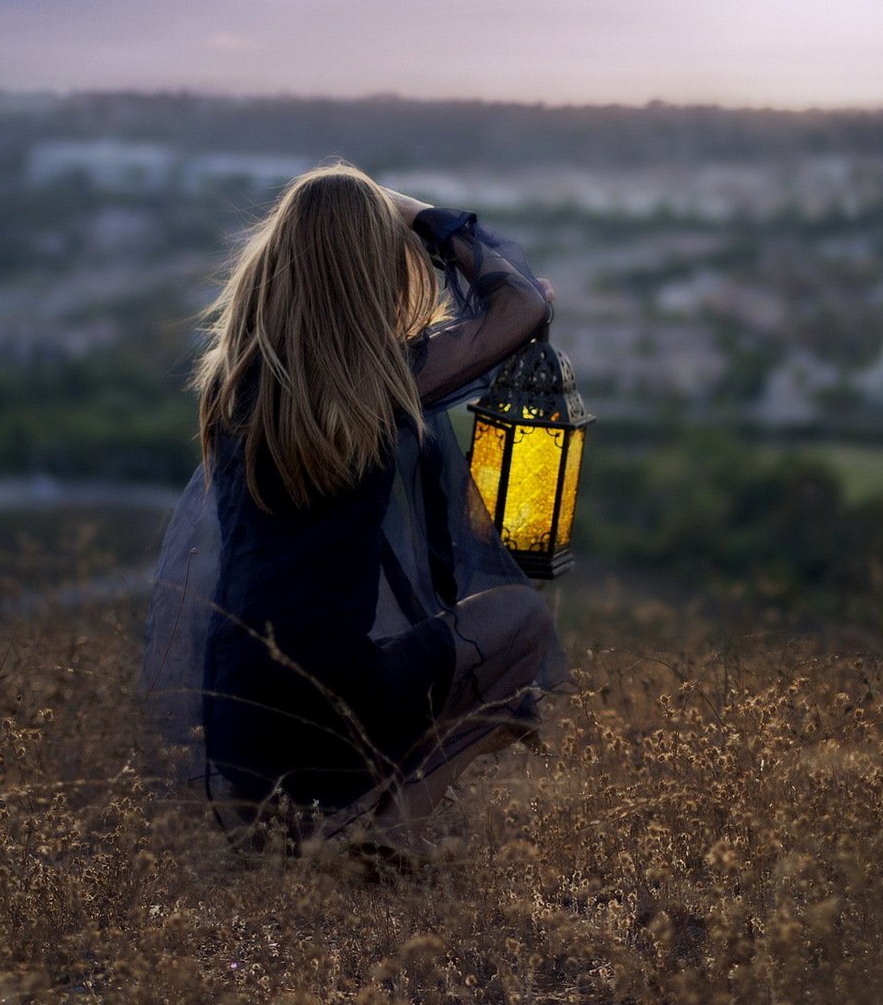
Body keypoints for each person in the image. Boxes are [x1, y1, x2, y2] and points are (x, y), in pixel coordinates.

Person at [139, 161, 571, 862]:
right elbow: (522, 306)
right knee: (521, 626)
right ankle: (392, 838)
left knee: (459, 673)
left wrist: (338, 204)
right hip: (331, 706)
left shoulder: (231, 382)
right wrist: (409, 210)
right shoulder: (382, 383)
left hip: (237, 714)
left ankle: (369, 822)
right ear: (369, 273)